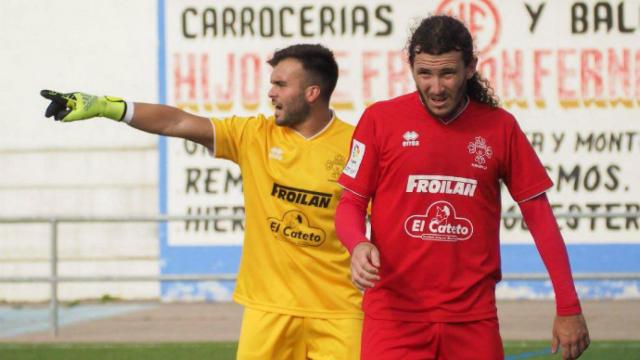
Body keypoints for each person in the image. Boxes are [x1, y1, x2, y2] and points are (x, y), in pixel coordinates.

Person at [41, 44, 363, 359]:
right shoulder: (253, 135)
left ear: (312, 92)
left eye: (280, 84)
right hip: (268, 310)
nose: (271, 93)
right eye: (272, 84)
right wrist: (107, 106)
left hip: (341, 310)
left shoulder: (356, 145)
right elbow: (177, 122)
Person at [335, 15, 590, 360]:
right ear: (410, 68)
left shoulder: (500, 127)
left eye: (448, 73)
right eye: (425, 73)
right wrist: (358, 243)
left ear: (470, 68)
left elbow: (540, 217)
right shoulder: (379, 120)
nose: (436, 87)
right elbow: (350, 202)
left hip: (473, 321)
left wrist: (568, 304)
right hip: (393, 320)